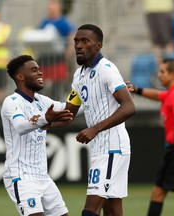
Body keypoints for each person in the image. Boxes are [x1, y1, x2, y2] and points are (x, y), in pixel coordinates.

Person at [53, 24, 135, 216]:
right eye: (76, 41)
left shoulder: (107, 69)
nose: (78, 45)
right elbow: (69, 112)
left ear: (98, 46)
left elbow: (129, 107)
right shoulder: (79, 75)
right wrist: (42, 123)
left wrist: (95, 129)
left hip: (112, 146)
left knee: (90, 211)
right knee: (113, 209)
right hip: (100, 148)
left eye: (84, 41)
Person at [1, 55, 74, 216]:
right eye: (34, 70)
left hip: (42, 176)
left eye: (39, 69)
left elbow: (69, 109)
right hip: (21, 176)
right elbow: (20, 126)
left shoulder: (42, 101)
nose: (40, 73)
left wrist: (90, 92)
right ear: (20, 76)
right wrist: (45, 119)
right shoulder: (12, 102)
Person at [131, 58, 174, 216]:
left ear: (173, 74)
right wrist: (136, 89)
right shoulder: (172, 93)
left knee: (158, 193)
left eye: (163, 72)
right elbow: (158, 95)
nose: (159, 75)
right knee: (158, 192)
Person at [38, 0, 75, 100]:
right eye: (49, 7)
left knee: (57, 85)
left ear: (58, 8)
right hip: (45, 58)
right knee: (40, 84)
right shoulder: (44, 22)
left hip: (58, 59)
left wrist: (68, 53)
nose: (50, 10)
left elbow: (71, 38)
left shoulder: (64, 22)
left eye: (52, 7)